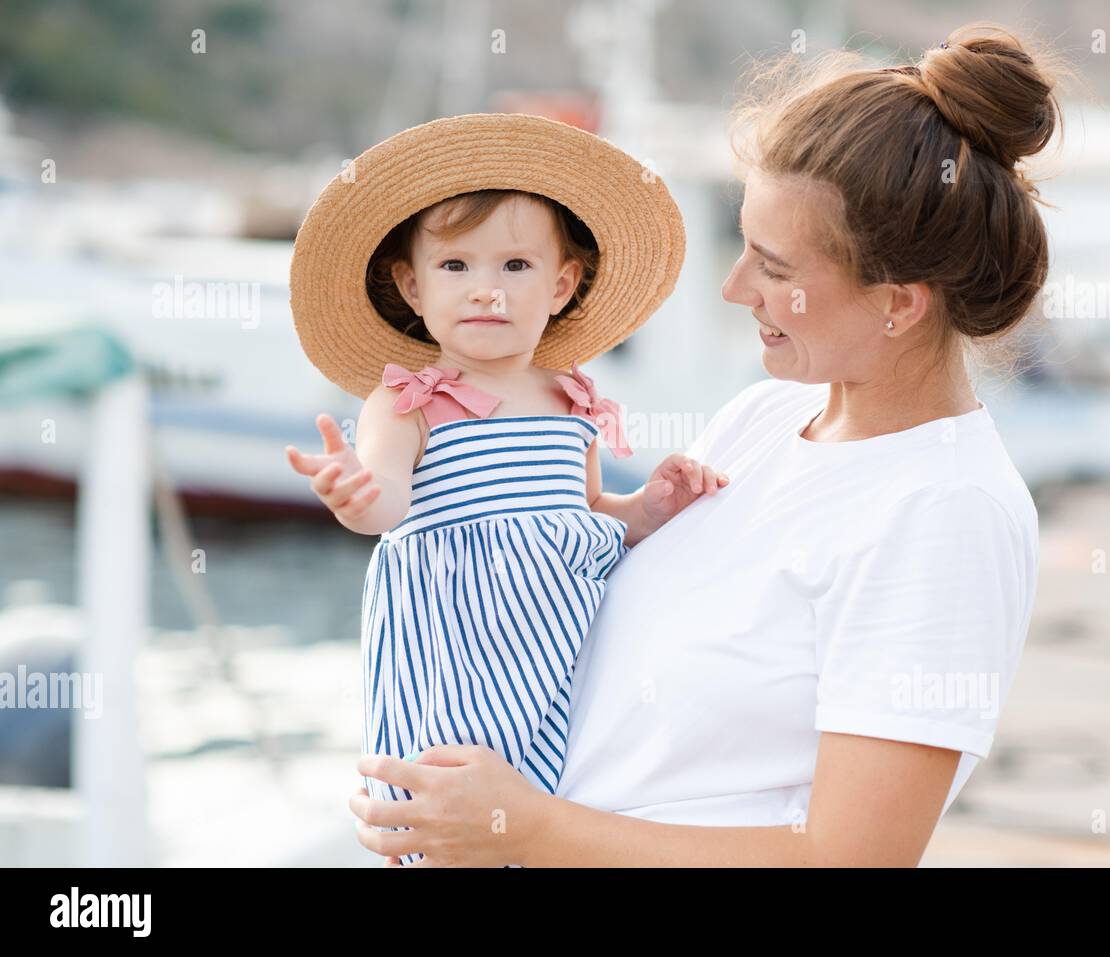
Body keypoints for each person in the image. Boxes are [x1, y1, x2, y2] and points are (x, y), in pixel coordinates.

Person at [349, 23, 1054, 867]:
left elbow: (851, 857)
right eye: (743, 246)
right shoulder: (761, 419)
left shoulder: (946, 513)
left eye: (776, 269)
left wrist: (527, 826)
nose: (734, 288)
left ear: (899, 304)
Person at [284, 114, 726, 864]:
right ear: (411, 285)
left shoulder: (569, 396)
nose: (485, 291)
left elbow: (587, 514)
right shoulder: (410, 399)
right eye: (456, 267)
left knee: (555, 795)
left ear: (562, 284)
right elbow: (389, 498)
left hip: (556, 639)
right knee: (457, 797)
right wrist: (355, 490)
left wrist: (649, 508)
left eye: (515, 266)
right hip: (460, 639)